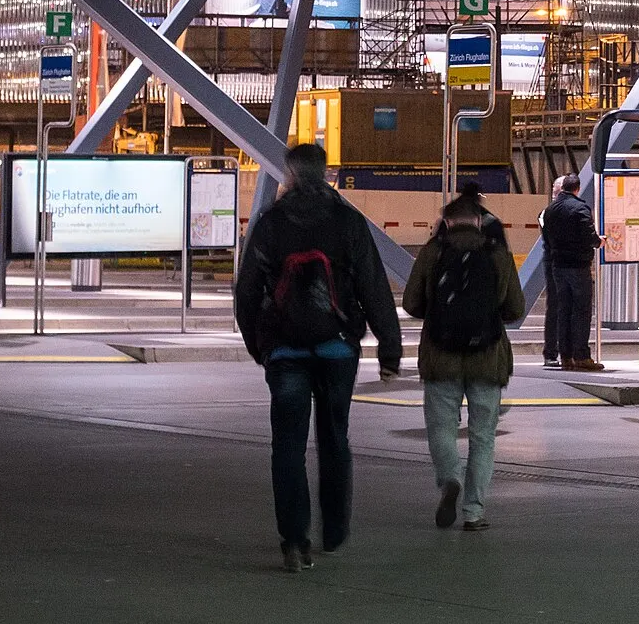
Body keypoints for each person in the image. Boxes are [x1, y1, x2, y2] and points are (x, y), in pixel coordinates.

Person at [234, 143, 402, 574]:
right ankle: (335, 529)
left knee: (288, 445)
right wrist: (389, 349)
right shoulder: (346, 221)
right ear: (325, 173)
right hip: (337, 348)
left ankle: (294, 542)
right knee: (334, 438)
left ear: (288, 175)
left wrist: (261, 346)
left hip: (285, 351)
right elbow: (373, 286)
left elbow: (247, 292)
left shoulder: (270, 224)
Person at [404, 183, 525, 532]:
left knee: (442, 428)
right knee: (483, 436)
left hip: (441, 356)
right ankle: (473, 511)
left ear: (447, 222)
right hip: (487, 356)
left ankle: (449, 479)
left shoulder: (432, 252)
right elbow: (515, 308)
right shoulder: (497, 253)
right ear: (477, 220)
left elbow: (411, 303)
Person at [541, 173, 603, 371]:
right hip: (578, 265)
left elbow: (548, 239)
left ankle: (565, 357)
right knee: (582, 311)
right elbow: (588, 234)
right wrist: (598, 241)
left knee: (563, 311)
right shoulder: (579, 208)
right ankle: (582, 356)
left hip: (558, 266)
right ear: (577, 188)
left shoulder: (550, 210)